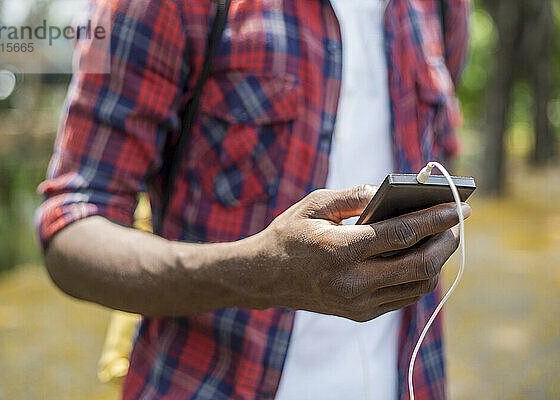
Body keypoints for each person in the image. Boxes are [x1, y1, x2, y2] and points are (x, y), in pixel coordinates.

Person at [36, 0, 470, 399]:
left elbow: (438, 151)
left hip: (409, 381)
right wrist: (260, 273)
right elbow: (71, 229)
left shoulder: (439, 8)